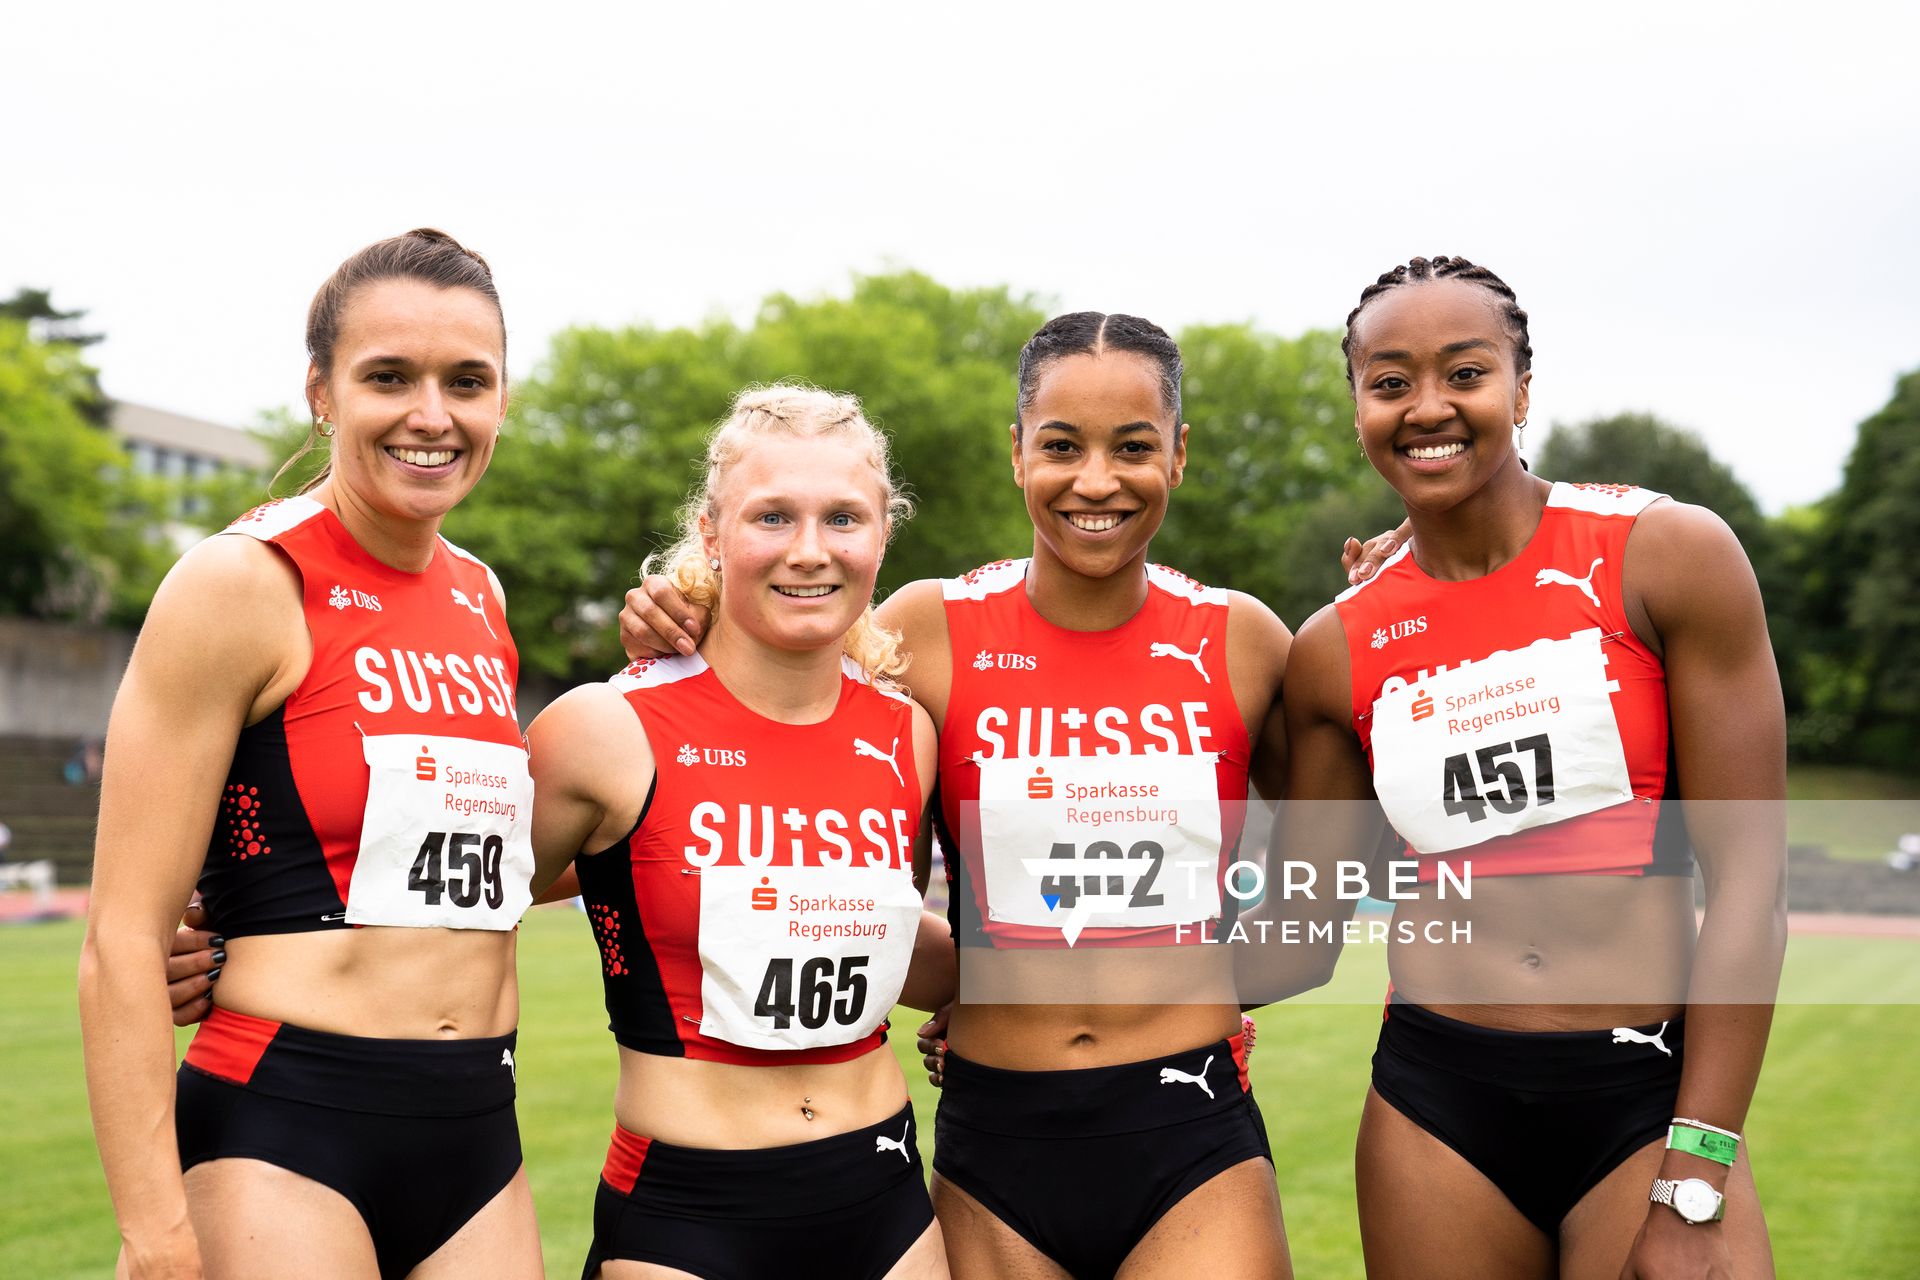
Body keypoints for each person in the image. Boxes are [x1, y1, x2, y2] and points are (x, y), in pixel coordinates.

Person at [623, 315, 1307, 1279]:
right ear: (1017, 450)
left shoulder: (1244, 640)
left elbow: (1327, 890)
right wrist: (679, 613)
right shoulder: (924, 633)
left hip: (1189, 1132)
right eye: (1062, 446)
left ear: (1180, 456)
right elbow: (802, 767)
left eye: (1135, 447)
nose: (1097, 481)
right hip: (996, 1138)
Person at [1280, 255, 1786, 1277]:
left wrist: (1694, 1181)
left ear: (1521, 386)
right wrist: (1030, 999)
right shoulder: (1336, 645)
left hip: (1644, 1097)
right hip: (1435, 1109)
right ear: (1358, 405)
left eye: (1464, 372)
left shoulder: (1665, 555)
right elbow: (1301, 926)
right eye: (1389, 382)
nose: (1428, 407)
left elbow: (1752, 883)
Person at [80, 229, 546, 1280]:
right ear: (322, 391)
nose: (434, 414)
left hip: (477, 1122)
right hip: (286, 1122)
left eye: (467, 381)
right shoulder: (240, 583)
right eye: (390, 376)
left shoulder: (482, 595)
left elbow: (482, 859)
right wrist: (154, 1232)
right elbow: (121, 937)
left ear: (501, 399)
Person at [528, 385, 949, 1279]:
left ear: (882, 536)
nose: (810, 550)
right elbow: (442, 895)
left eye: (843, 517)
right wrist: (223, 933)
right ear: (713, 534)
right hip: (688, 1213)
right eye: (772, 516)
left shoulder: (905, 734)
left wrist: (1103, 988)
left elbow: (878, 938)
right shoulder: (604, 729)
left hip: (885, 1199)